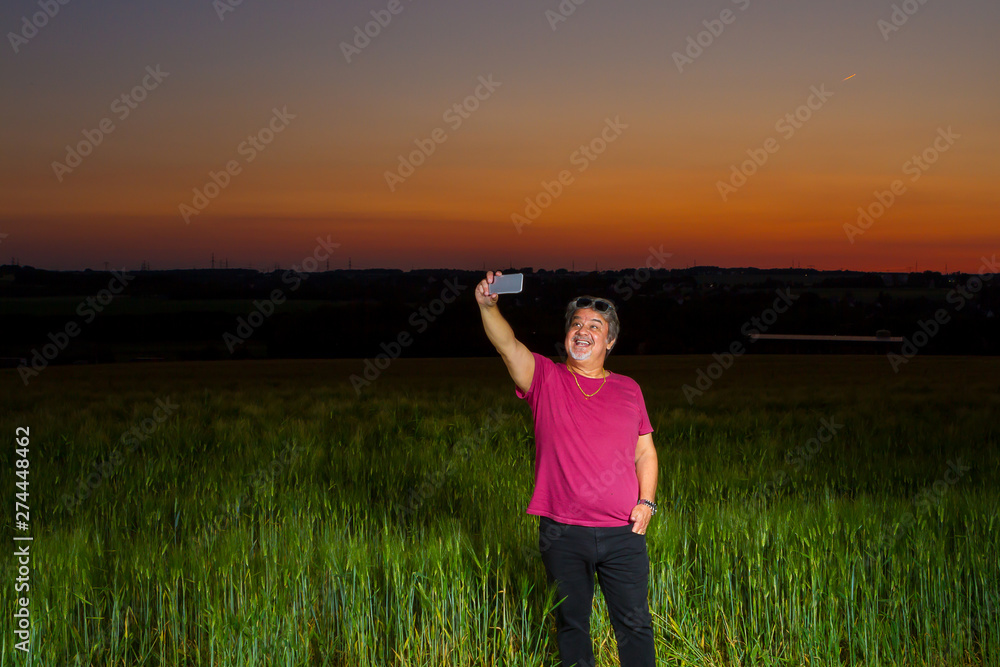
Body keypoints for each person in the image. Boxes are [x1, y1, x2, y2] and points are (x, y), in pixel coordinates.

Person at [475, 271, 658, 667]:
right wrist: (488, 306)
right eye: (577, 324)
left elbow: (645, 452)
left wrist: (647, 502)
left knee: (634, 624)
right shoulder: (546, 378)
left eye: (595, 325)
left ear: (609, 341)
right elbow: (507, 346)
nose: (583, 330)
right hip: (563, 533)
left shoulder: (630, 389)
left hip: (624, 533)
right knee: (572, 624)